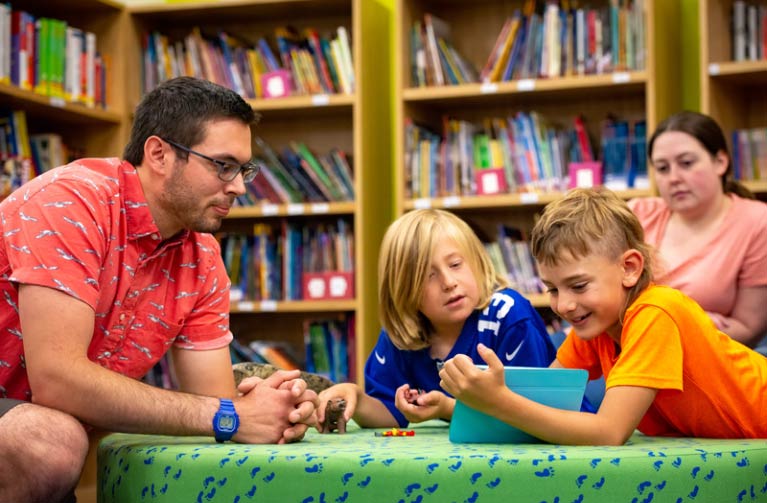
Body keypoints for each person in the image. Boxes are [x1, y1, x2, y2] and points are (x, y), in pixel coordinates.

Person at [0, 77, 318, 502]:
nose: (239, 186)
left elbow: (215, 402)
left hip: (32, 452)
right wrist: (229, 416)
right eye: (223, 165)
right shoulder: (72, 202)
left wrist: (273, 410)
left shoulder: (202, 255)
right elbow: (58, 381)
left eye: (244, 169)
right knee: (50, 443)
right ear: (159, 154)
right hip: (33, 437)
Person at [439, 188, 767, 445]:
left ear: (629, 268)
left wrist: (498, 401)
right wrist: (462, 403)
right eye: (552, 290)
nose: (564, 305)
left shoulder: (656, 312)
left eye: (578, 285)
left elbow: (608, 432)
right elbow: (541, 406)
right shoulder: (596, 324)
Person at [315, 208, 557, 430]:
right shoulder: (400, 335)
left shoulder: (508, 314)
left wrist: (448, 409)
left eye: (455, 264)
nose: (449, 282)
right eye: (428, 276)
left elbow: (533, 413)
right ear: (403, 290)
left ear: (476, 262)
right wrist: (356, 398)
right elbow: (391, 412)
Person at [628, 111, 767, 348]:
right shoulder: (638, 213)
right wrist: (695, 320)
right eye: (662, 168)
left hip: (706, 358)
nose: (673, 178)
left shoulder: (757, 221)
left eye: (686, 163)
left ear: (720, 162)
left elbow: (748, 329)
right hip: (626, 346)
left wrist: (679, 328)